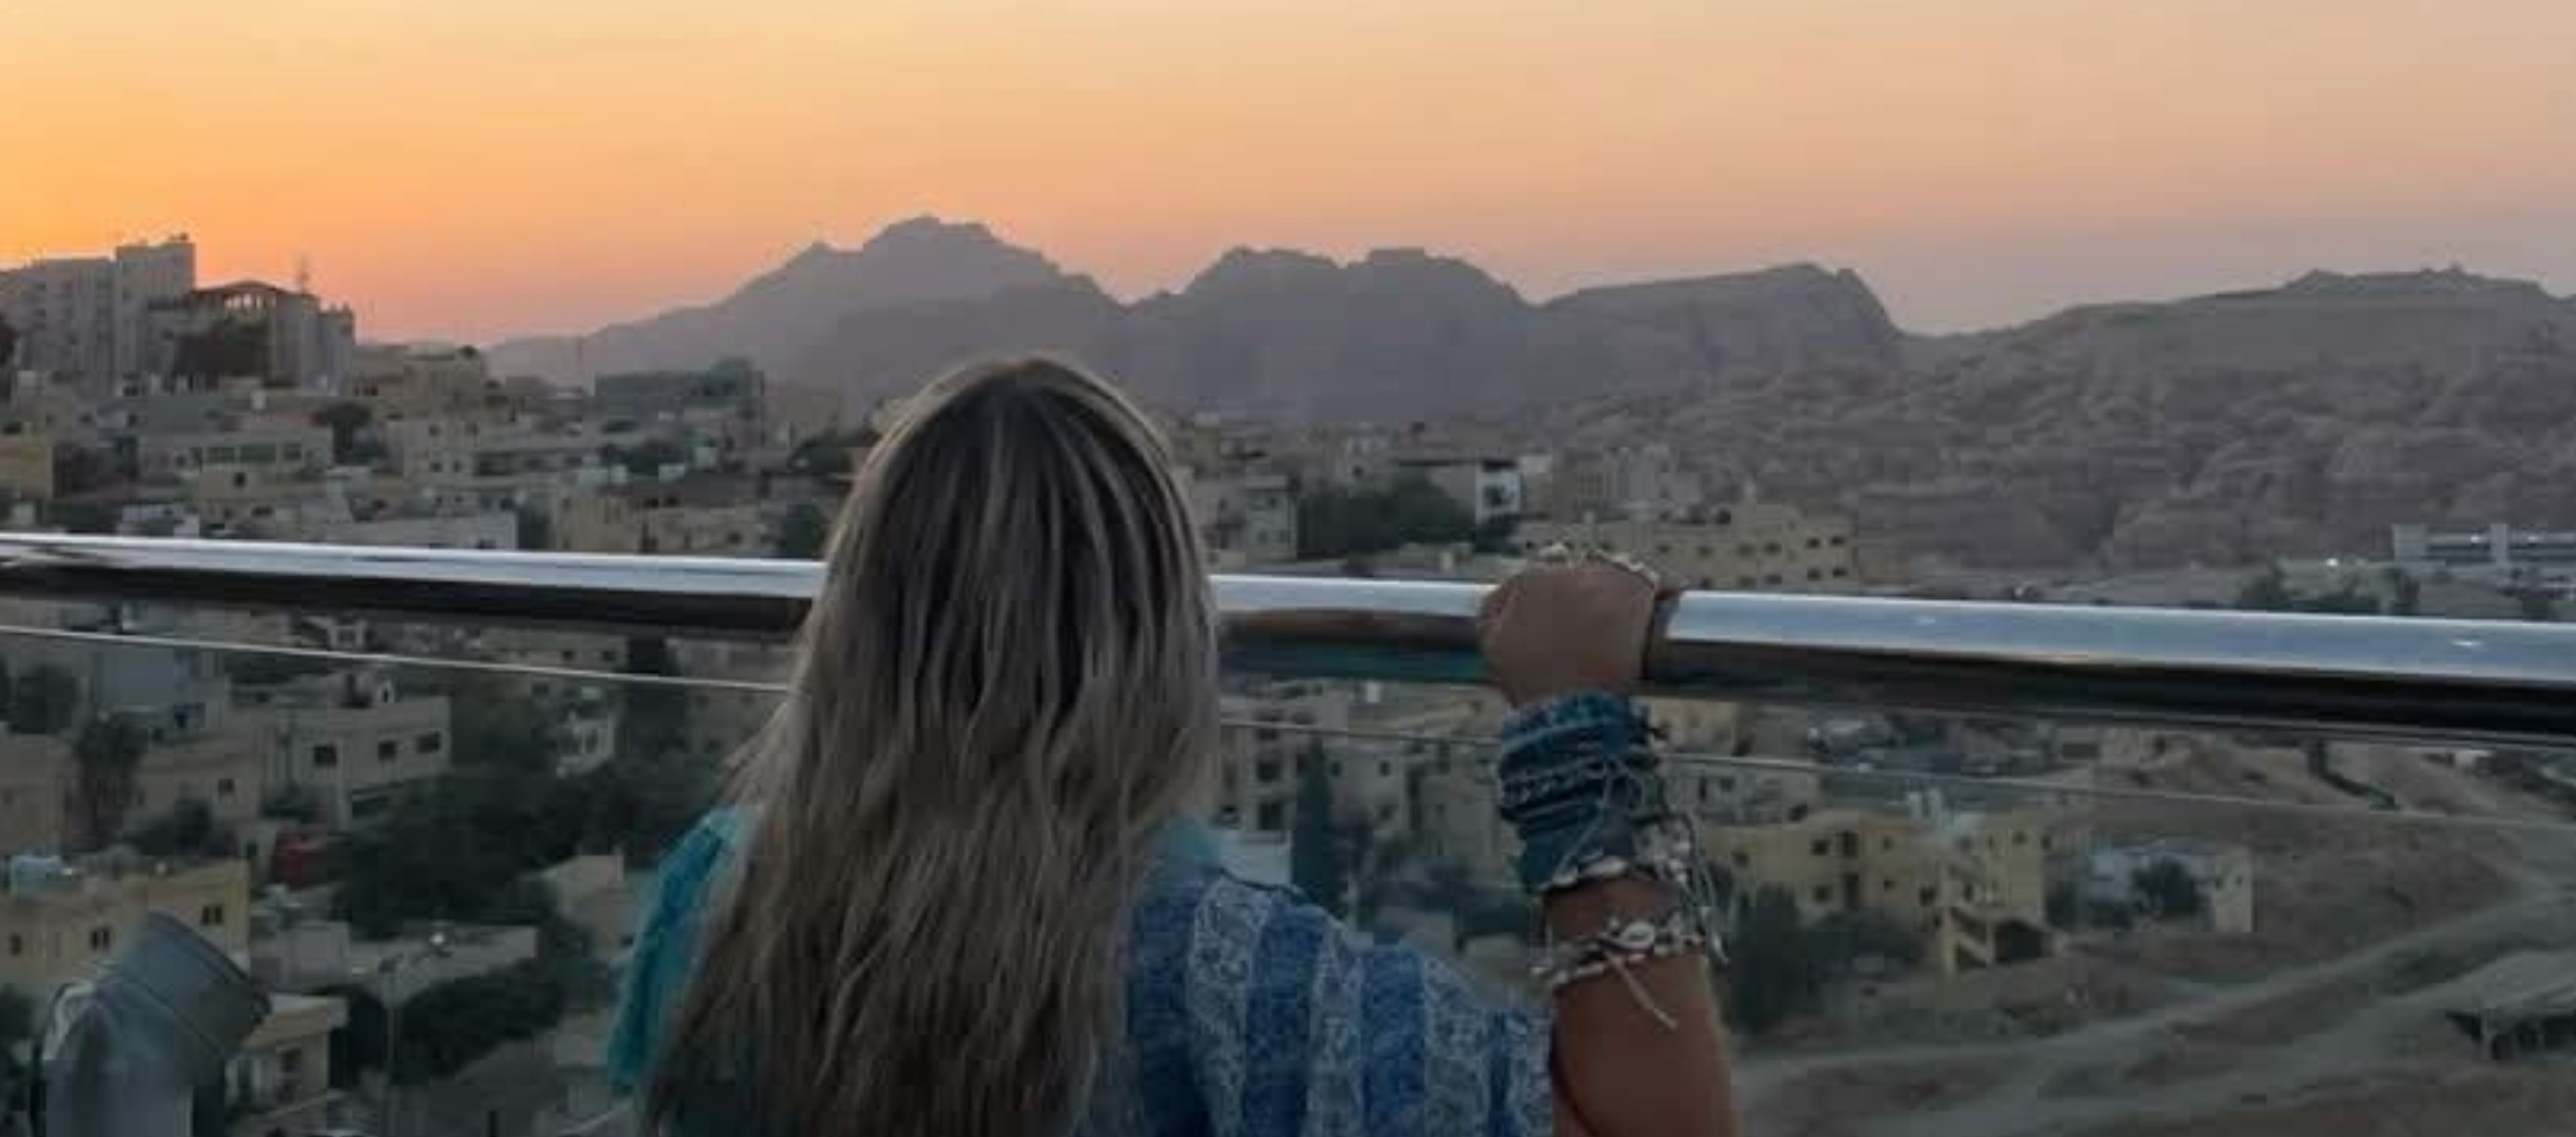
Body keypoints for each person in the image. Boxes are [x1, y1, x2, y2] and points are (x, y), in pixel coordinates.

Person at [606, 357, 1738, 1137]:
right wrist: (1573, 735)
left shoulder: (720, 890)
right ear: (1168, 633)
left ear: (853, 621)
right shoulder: (1227, 976)